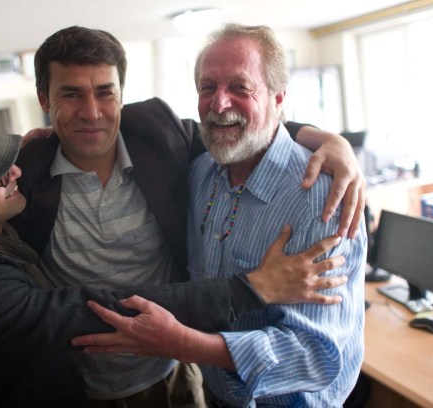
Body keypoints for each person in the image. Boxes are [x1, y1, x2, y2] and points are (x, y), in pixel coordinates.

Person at [0, 26, 364, 407]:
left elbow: (237, 123)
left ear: (122, 93)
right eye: (70, 95)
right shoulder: (21, 173)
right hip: (76, 384)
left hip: (177, 375)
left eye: (105, 91)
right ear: (43, 101)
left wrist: (325, 138)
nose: (92, 112)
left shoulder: (162, 136)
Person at [71, 24, 366, 407]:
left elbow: (316, 357)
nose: (219, 103)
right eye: (207, 87)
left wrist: (183, 344)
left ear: (279, 98)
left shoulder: (319, 198)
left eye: (240, 88)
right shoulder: (199, 173)